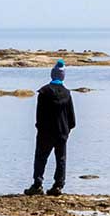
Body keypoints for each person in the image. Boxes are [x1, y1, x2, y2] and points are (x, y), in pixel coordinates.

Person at [25, 60, 76, 196]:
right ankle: (58, 186)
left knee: (41, 157)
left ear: (52, 74)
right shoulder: (67, 93)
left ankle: (37, 185)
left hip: (46, 132)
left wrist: (39, 127)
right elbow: (72, 118)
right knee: (61, 159)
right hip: (62, 132)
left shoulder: (44, 92)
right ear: (63, 76)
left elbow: (39, 114)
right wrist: (67, 129)